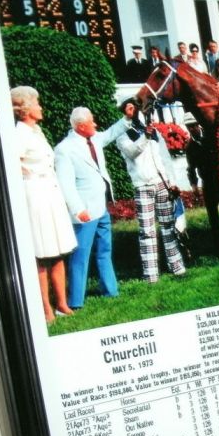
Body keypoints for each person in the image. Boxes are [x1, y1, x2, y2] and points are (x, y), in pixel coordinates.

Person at [11, 86, 77, 323]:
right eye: (37, 103)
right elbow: (12, 164)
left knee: (57, 251)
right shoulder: (19, 134)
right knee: (41, 253)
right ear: (26, 108)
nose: (41, 107)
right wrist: (28, 176)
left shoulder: (36, 131)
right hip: (35, 196)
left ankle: (62, 304)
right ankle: (46, 309)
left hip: (50, 194)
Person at [54, 107, 129, 309]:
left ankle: (111, 291)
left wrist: (127, 118)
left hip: (101, 207)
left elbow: (111, 134)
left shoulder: (94, 138)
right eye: (92, 122)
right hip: (85, 212)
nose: (96, 125)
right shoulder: (64, 149)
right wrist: (78, 209)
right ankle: (76, 301)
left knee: (105, 250)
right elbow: (65, 184)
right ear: (81, 126)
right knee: (80, 256)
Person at [116, 99, 187, 282]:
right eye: (129, 108)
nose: (133, 110)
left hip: (161, 183)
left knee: (168, 226)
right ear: (124, 113)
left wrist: (172, 181)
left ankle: (176, 265)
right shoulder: (123, 135)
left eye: (135, 107)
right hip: (143, 186)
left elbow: (165, 158)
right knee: (147, 231)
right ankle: (151, 274)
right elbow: (132, 152)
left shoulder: (154, 132)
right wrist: (145, 137)